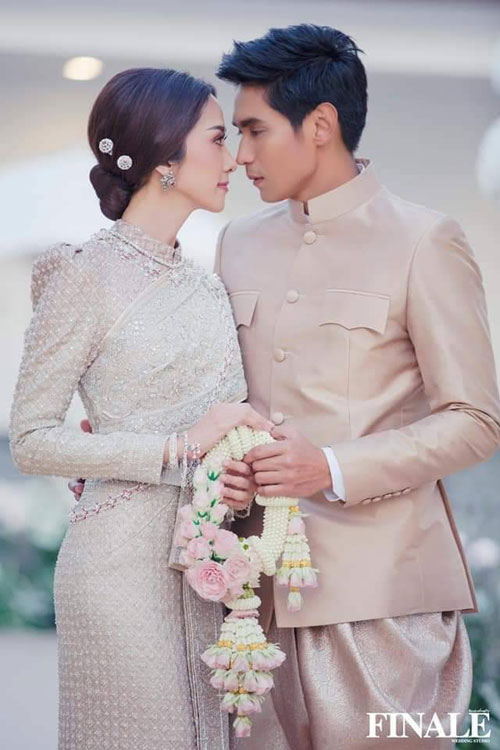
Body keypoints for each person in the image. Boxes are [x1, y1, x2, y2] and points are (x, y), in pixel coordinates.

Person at [211, 24, 500, 749]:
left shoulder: (425, 240)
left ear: (320, 125)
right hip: (249, 601)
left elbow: (476, 419)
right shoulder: (237, 243)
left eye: (254, 130)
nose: (241, 155)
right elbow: (224, 399)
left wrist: (331, 467)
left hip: (383, 605)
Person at [8, 67, 274, 750]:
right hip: (116, 566)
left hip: (210, 564)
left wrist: (241, 468)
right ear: (164, 158)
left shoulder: (210, 288)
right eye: (217, 138)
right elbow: (31, 438)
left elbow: (225, 425)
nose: (233, 159)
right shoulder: (81, 274)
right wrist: (176, 446)